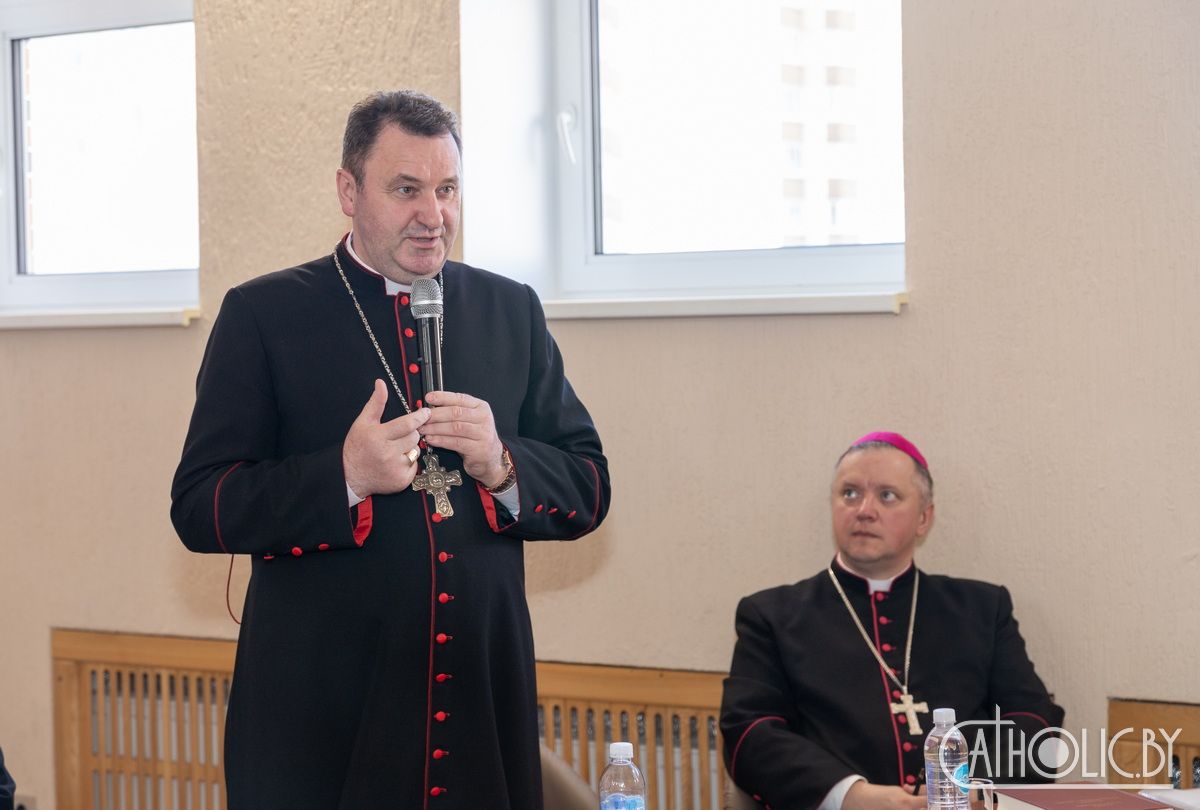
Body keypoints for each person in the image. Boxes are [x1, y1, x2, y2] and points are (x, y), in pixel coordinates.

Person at [171, 90, 610, 809]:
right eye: (407, 190)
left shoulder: (510, 309)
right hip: (322, 711)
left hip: (478, 698)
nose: (433, 216)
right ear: (349, 191)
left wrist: (501, 463)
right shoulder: (264, 314)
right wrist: (342, 476)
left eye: (447, 190)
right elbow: (198, 506)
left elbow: (589, 485)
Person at [720, 432, 1062, 810]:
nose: (864, 510)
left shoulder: (982, 609)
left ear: (923, 518)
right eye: (850, 493)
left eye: (887, 495)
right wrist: (849, 795)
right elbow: (750, 733)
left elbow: (1032, 718)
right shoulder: (770, 616)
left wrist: (974, 788)